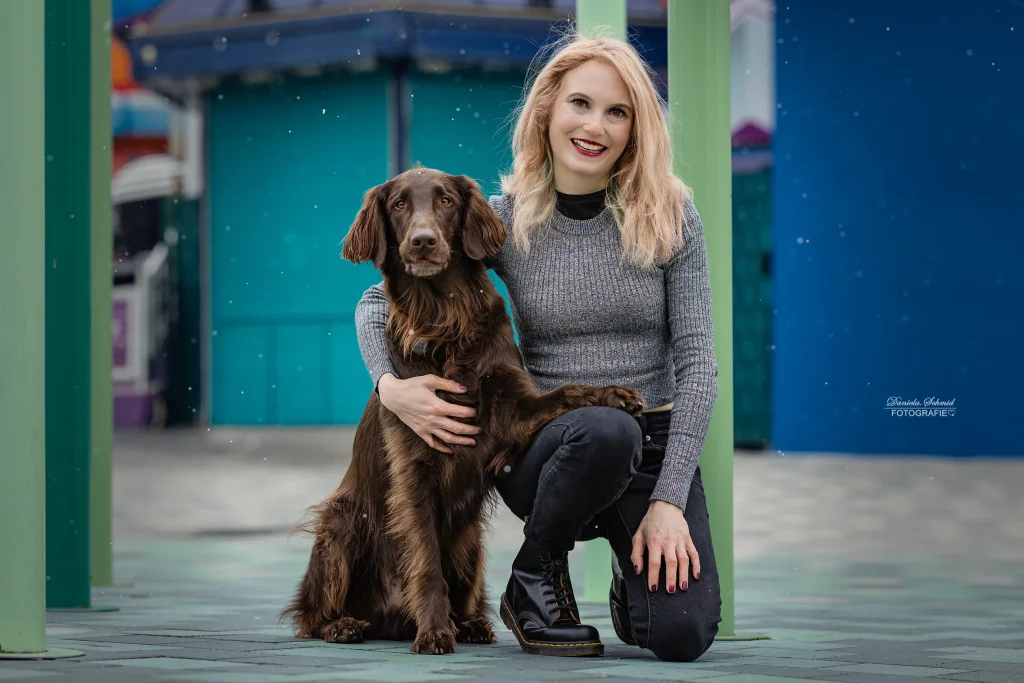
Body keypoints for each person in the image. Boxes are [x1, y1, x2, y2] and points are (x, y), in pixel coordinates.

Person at [353, 30, 721, 662]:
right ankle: (536, 578)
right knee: (605, 431)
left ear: (637, 128)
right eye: (580, 103)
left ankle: (627, 583)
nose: (594, 126)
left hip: (650, 444)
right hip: (546, 447)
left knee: (680, 636)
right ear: (548, 109)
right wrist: (393, 389)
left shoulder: (670, 215)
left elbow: (698, 364)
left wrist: (668, 500)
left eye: (617, 111)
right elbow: (373, 302)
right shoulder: (508, 218)